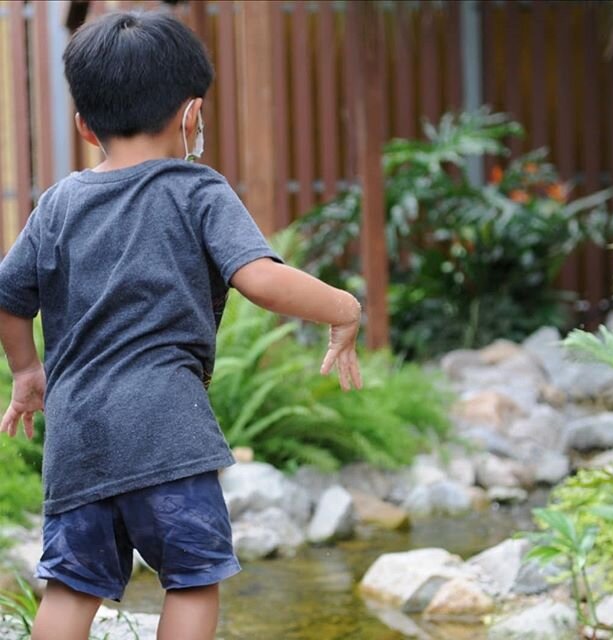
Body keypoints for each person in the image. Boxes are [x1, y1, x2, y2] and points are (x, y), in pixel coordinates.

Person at [0, 10, 361, 640]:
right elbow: (261, 279)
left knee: (71, 587)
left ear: (85, 125)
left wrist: (27, 371)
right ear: (193, 115)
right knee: (192, 579)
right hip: (167, 436)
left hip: (78, 440)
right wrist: (344, 308)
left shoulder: (57, 203)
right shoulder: (198, 191)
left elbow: (9, 296)